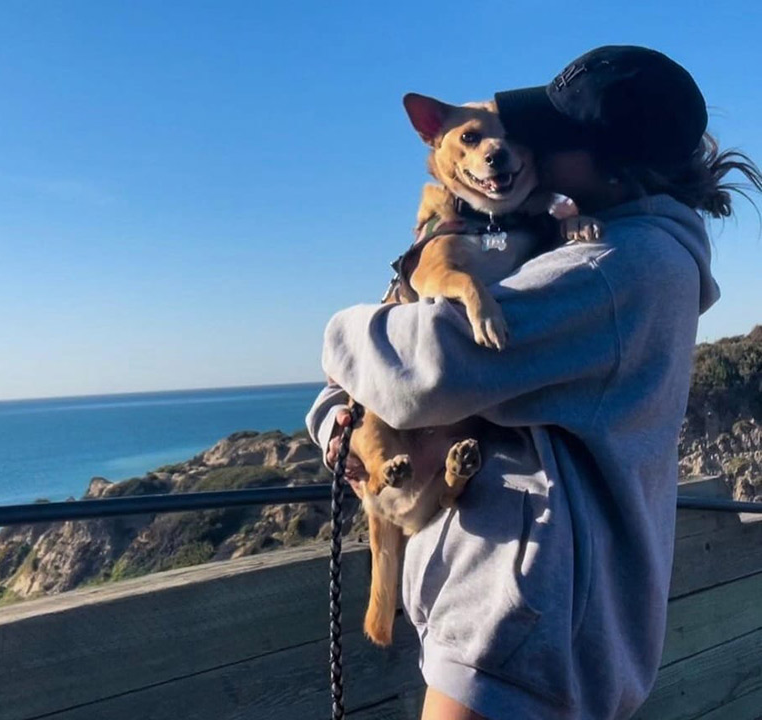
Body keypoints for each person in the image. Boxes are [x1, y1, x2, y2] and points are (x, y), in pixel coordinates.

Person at [306, 46, 762, 720]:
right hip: (535, 618)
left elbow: (425, 370)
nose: (520, 151)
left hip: (521, 636)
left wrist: (340, 332)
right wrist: (337, 424)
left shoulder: (612, 266)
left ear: (607, 158)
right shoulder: (607, 249)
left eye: (547, 137)